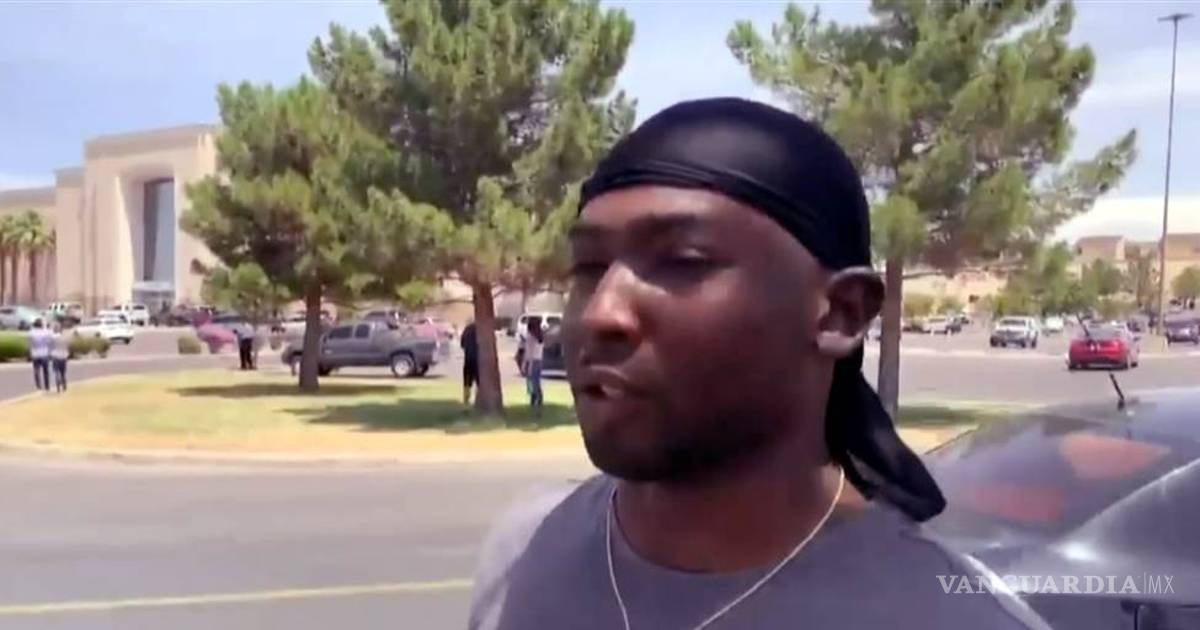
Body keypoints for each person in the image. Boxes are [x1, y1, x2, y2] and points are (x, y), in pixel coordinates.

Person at [469, 99, 1048, 630]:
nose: (601, 313)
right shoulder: (527, 546)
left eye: (682, 260)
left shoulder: (953, 617)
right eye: (589, 267)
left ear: (840, 313)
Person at [523, 318, 544, 415]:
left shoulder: (531, 338)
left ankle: (535, 401)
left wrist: (526, 364)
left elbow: (529, 353)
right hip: (539, 361)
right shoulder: (540, 336)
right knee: (536, 382)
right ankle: (537, 401)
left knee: (532, 383)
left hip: (532, 361)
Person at [27, 318, 53, 392]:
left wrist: (29, 352)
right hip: (44, 353)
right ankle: (47, 386)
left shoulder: (31, 333)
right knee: (46, 371)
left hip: (35, 354)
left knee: (36, 370)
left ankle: (39, 386)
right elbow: (50, 342)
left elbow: (30, 344)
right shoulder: (46, 332)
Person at [461, 320, 479, 406]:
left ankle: (466, 399)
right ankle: (478, 399)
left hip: (468, 358)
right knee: (479, 381)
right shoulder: (481, 330)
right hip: (478, 359)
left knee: (467, 381)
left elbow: (462, 344)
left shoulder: (467, 329)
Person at [50, 323, 70, 393]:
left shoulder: (52, 338)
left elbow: (50, 347)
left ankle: (57, 381)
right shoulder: (65, 338)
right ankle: (64, 383)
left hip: (55, 356)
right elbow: (67, 347)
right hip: (64, 356)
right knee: (63, 372)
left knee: (56, 371)